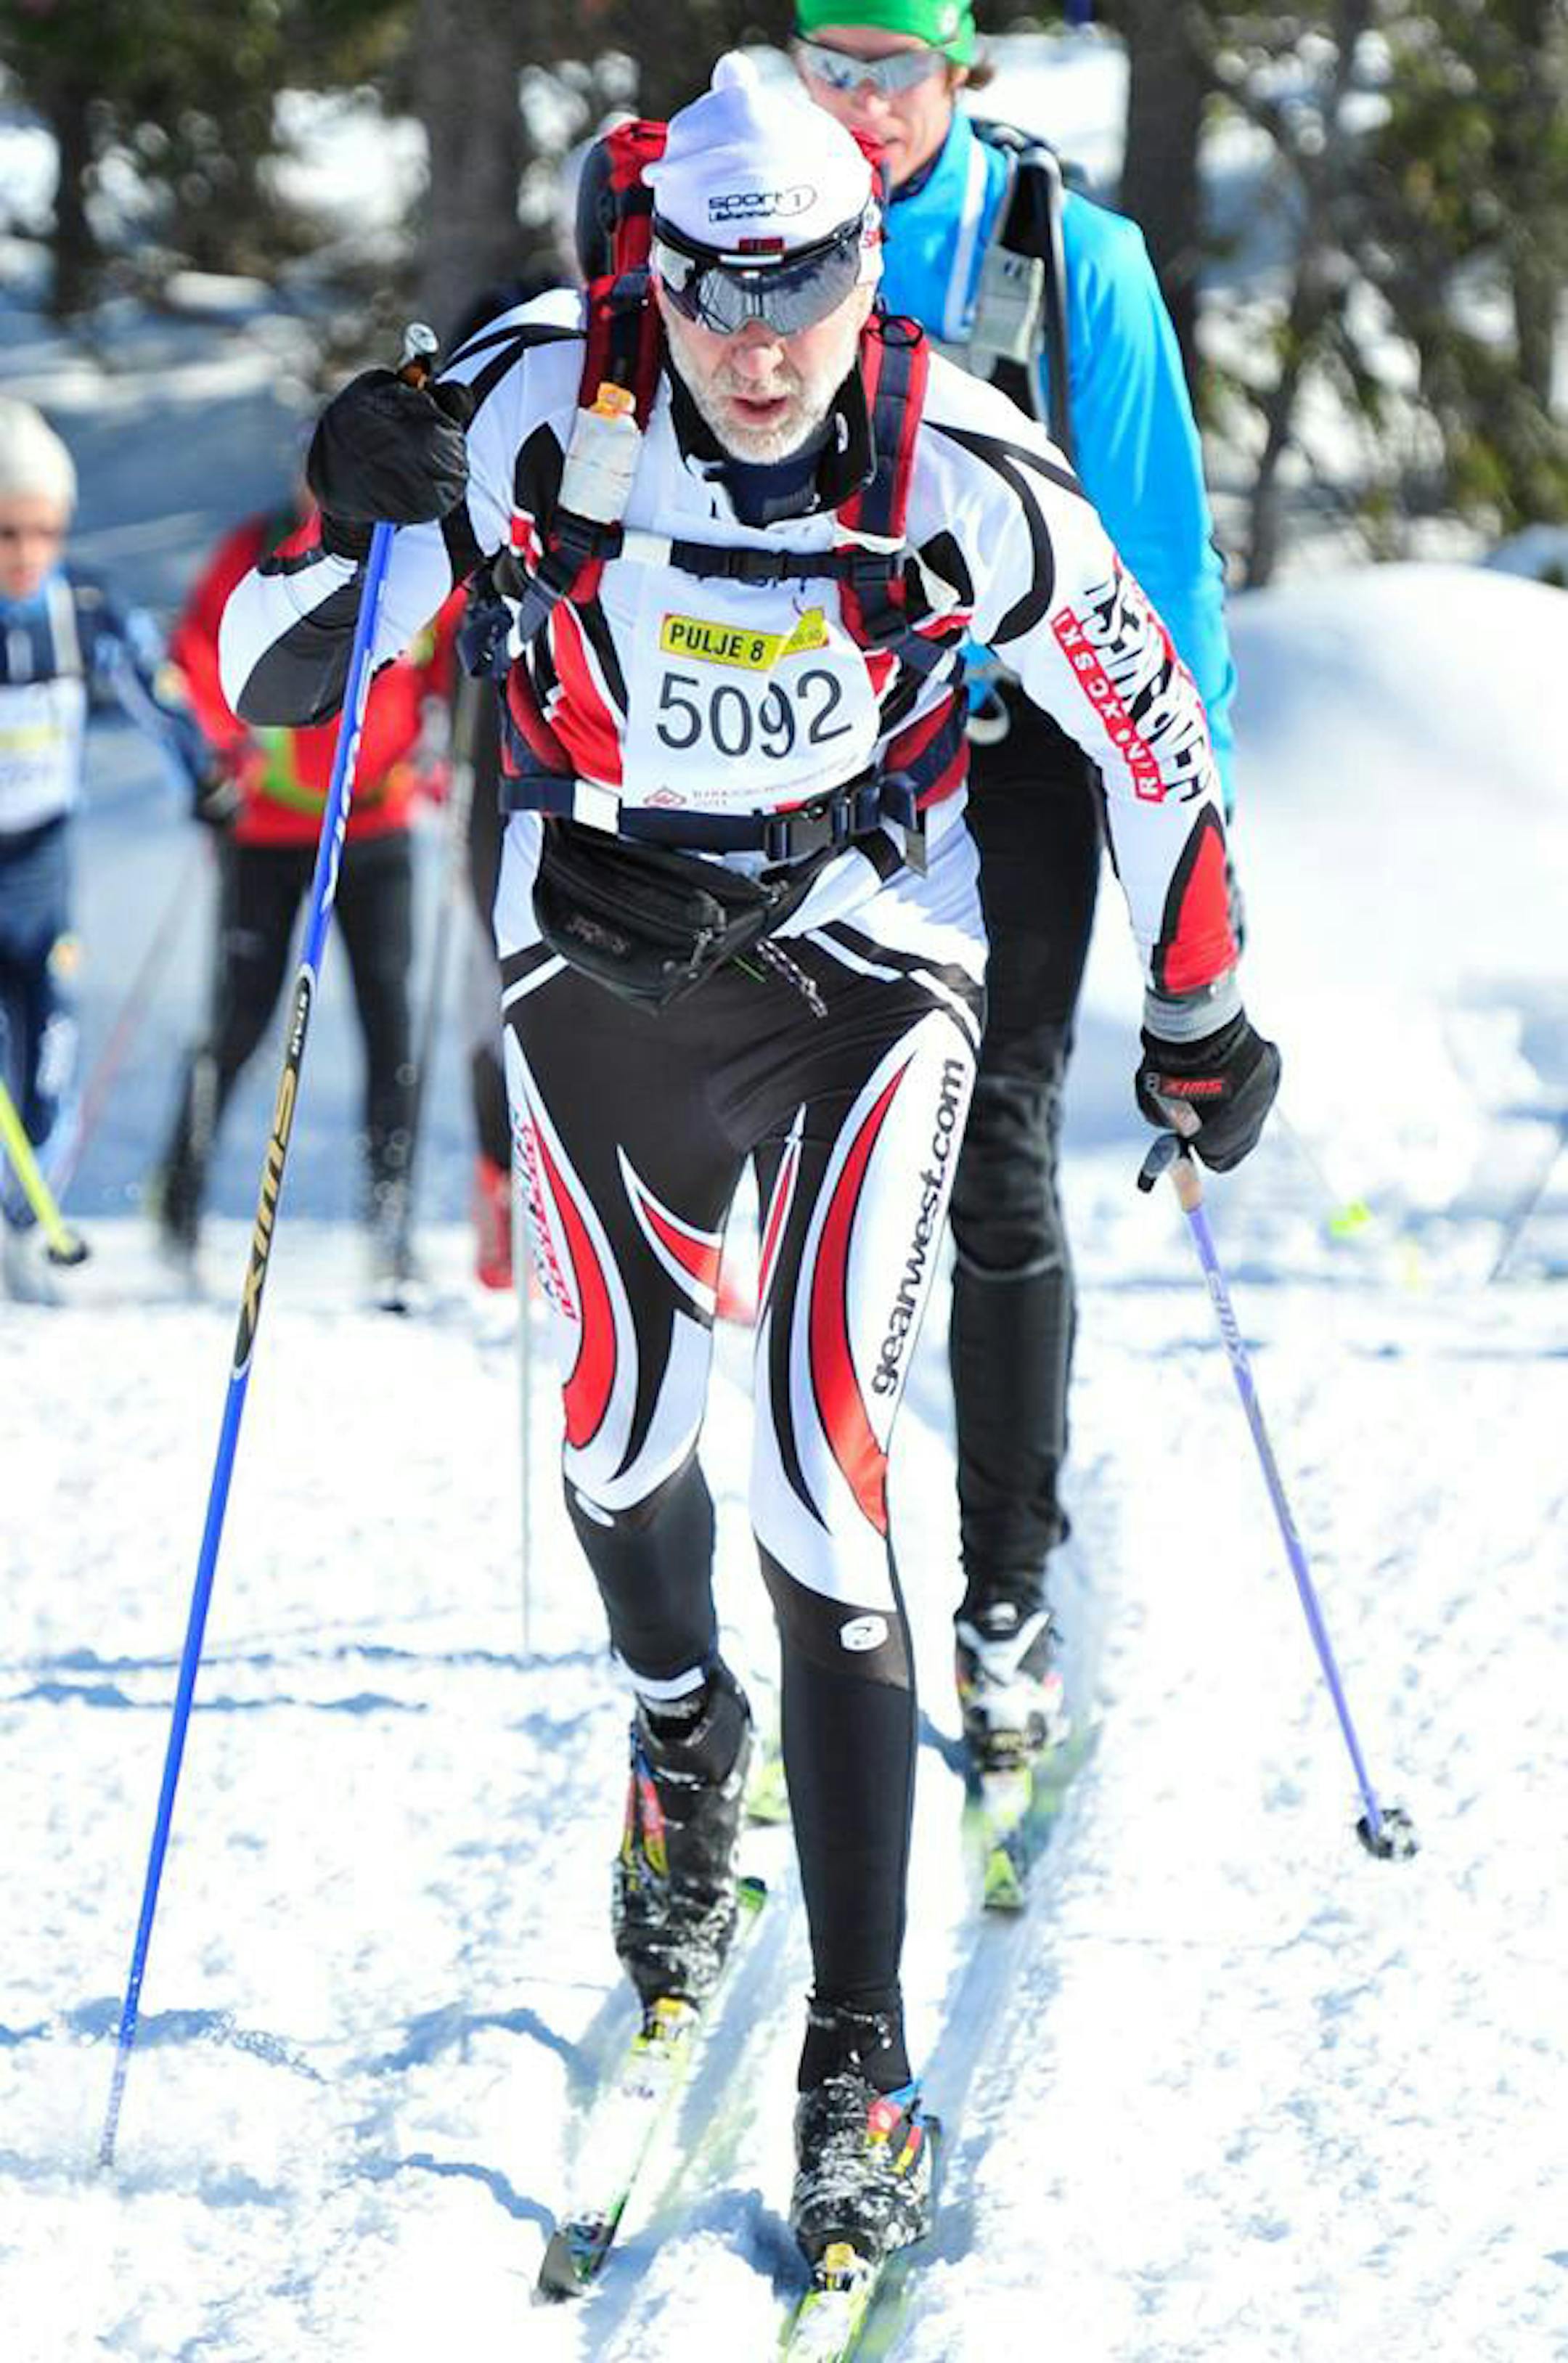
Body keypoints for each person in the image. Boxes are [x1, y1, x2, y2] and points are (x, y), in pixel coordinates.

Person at [218, 56, 1278, 2272]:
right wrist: (342, 500)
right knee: (621, 1446)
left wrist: (1203, 1009)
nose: (759, 334)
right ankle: (682, 1729)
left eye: (802, 280)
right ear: (657, 267)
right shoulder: (527, 404)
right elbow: (282, 676)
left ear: (860, 266)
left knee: (815, 1460)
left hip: (863, 965)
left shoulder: (964, 467)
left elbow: (1151, 729)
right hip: (597, 963)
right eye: (714, 286)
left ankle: (861, 2047)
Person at [793, 2, 1243, 1771]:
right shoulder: (742, 217)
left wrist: (1196, 873)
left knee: (995, 1156)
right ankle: (813, 1590)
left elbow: (1157, 568)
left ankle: (1002, 1593)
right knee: (791, 1163)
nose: (855, 106)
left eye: (888, 68)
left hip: (1018, 757)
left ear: (958, 69)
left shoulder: (1069, 256)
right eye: (823, 64)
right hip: (798, 753)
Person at [152, 491, 460, 1289]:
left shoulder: (413, 554)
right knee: (243, 1019)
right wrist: (222, 755)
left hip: (376, 822)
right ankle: (178, 1205)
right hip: (267, 829)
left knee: (388, 1019)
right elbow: (197, 658)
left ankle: (388, 1218)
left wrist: (449, 732)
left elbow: (457, 653)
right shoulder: (257, 548)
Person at [0, 396, 214, 1301]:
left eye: (42, 532)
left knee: (50, 1043)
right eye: (6, 532)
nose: (25, 555)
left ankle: (27, 1225)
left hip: (43, 867)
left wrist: (208, 779)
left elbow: (155, 694)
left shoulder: (83, 609)